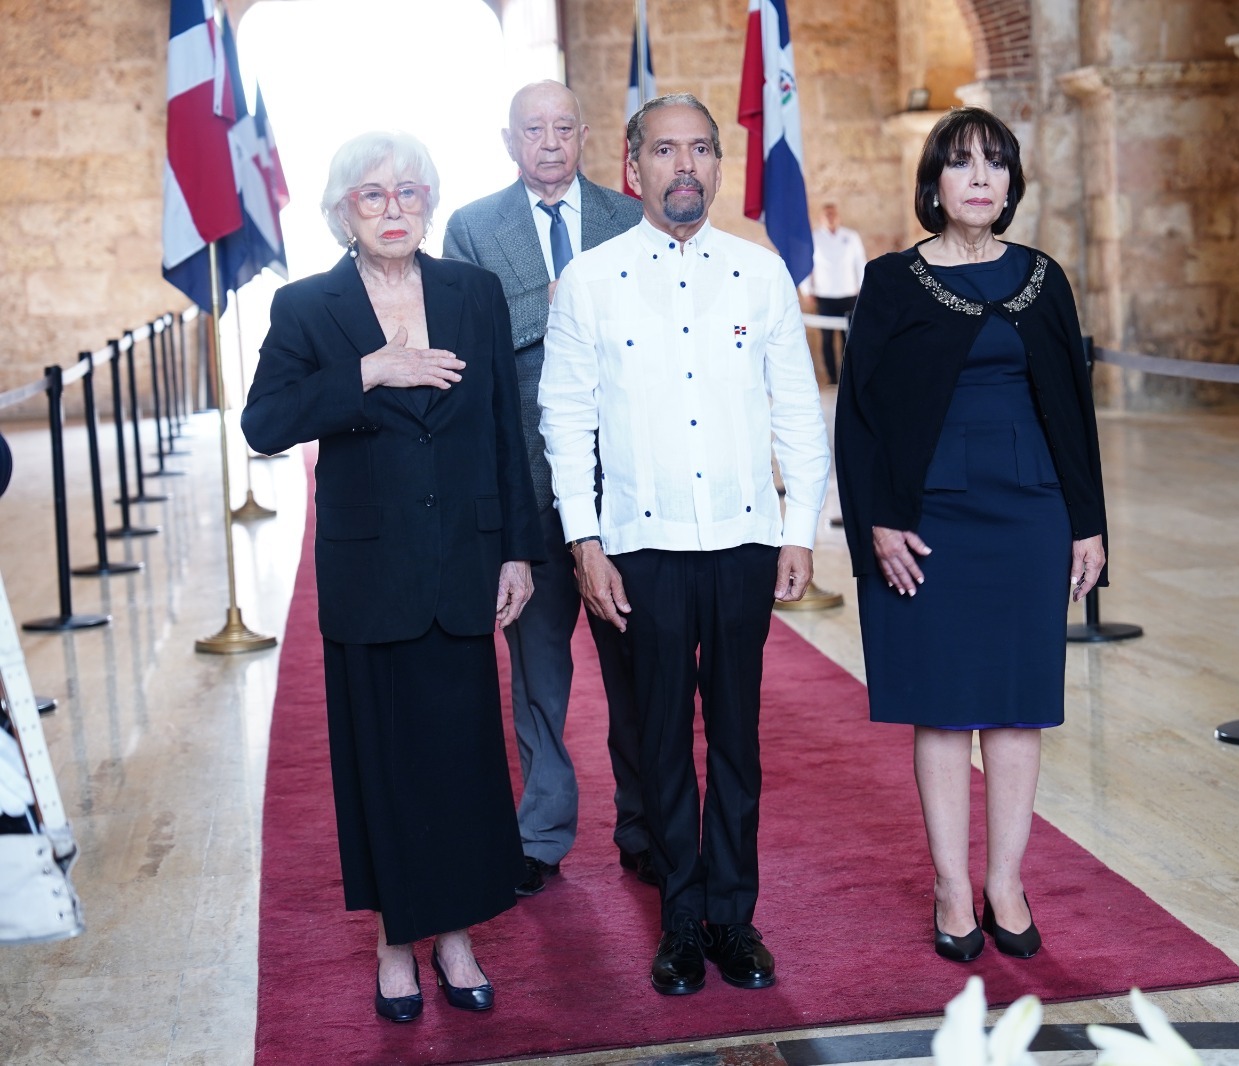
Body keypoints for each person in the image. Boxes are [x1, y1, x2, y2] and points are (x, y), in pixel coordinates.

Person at [241, 131, 539, 1022]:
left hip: (462, 564)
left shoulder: (472, 294)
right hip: (370, 574)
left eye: (409, 192)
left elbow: (502, 429)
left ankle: (456, 937)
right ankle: (395, 943)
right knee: (384, 763)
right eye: (372, 196)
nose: (394, 209)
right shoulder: (307, 308)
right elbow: (264, 422)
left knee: (461, 763)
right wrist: (368, 371)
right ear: (342, 213)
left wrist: (517, 546)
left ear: (430, 203)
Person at [539, 93, 830, 996]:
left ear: (716, 164)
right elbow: (565, 416)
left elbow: (796, 411)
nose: (685, 166)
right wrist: (584, 539)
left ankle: (733, 919)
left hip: (743, 541)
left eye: (701, 149)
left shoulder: (760, 274)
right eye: (665, 150)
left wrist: (801, 530)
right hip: (640, 548)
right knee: (658, 739)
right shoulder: (590, 278)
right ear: (634, 168)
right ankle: (679, 925)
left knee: (736, 738)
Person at [833, 107, 1108, 964]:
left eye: (995, 164)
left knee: (1019, 707)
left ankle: (1006, 883)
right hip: (931, 517)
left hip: (1029, 511)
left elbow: (1072, 408)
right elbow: (861, 418)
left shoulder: (1042, 277)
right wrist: (877, 518)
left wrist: (1089, 523)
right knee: (947, 710)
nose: (980, 178)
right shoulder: (890, 281)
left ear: (1011, 183)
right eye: (961, 164)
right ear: (935, 184)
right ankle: (953, 885)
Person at [443, 80, 655, 897]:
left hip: (622, 484)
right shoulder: (472, 226)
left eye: (564, 127)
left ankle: (642, 826)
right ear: (509, 140)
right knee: (538, 678)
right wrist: (558, 303)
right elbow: (470, 338)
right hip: (526, 487)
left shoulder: (626, 217)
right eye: (534, 129)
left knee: (638, 670)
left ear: (587, 135)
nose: (551, 143)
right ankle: (542, 833)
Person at [799, 203, 866, 385]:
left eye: (832, 214)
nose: (830, 217)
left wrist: (863, 287)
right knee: (827, 340)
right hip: (825, 295)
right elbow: (807, 265)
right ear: (821, 217)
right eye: (826, 214)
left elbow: (860, 262)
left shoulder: (851, 237)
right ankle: (832, 379)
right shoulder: (814, 237)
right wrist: (807, 290)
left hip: (849, 293)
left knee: (849, 340)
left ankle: (848, 379)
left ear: (838, 216)